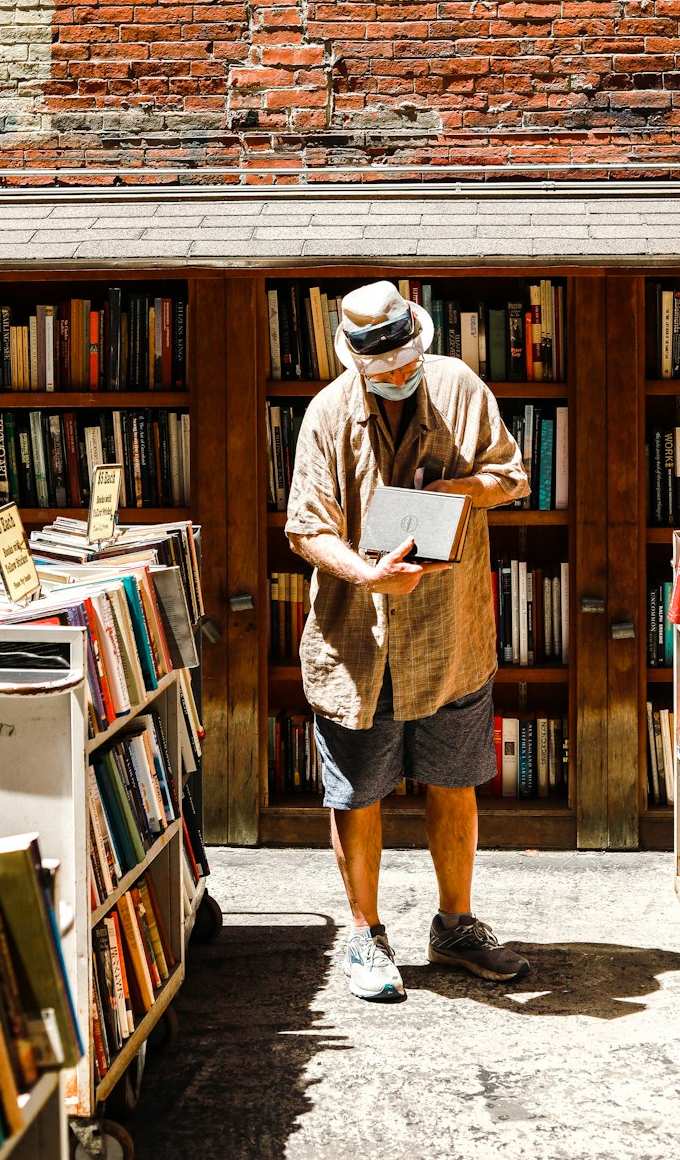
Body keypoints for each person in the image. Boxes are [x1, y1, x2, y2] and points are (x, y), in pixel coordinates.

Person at [285, 280, 532, 1002]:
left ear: (420, 340)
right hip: (360, 641)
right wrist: (368, 573)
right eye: (383, 370)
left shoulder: (458, 384)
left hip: (451, 634)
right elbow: (305, 526)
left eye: (406, 361)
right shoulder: (328, 414)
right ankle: (365, 935)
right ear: (356, 363)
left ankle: (454, 926)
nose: (399, 376)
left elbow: (510, 476)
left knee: (455, 784)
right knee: (356, 793)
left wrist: (453, 494)